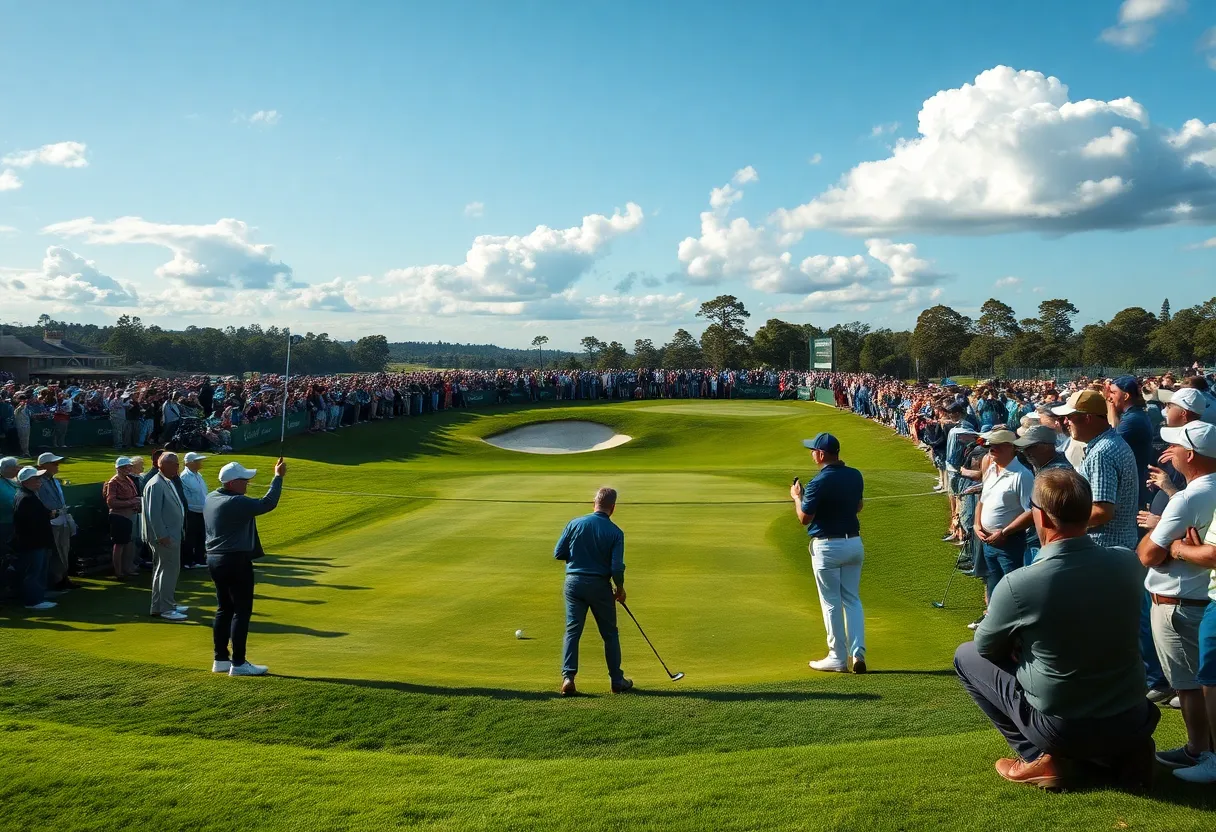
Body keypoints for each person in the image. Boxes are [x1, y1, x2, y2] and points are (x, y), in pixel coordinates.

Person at [954, 469, 1159, 790]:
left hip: (1064, 726)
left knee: (964, 656)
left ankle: (1041, 758)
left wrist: (1018, 644)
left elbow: (986, 648)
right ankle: (1125, 753)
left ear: (1043, 519)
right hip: (1134, 715)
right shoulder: (1126, 562)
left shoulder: (1020, 584)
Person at [1136, 422, 1216, 774]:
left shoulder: (1188, 496)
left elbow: (1147, 555)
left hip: (1178, 602)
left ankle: (1200, 751)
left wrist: (1164, 537)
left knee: (1190, 685)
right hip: (1201, 598)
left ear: (1190, 455)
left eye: (1177, 447)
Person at [791, 432, 867, 673]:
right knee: (852, 599)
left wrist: (797, 497)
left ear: (821, 454)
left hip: (827, 547)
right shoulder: (855, 475)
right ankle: (858, 654)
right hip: (854, 544)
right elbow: (859, 506)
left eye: (813, 451)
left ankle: (837, 656)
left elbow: (804, 518)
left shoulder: (817, 482)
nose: (812, 454)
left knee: (831, 603)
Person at [204, 458, 286, 677]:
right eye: (244, 480)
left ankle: (220, 659)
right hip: (235, 560)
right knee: (241, 611)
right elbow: (267, 503)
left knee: (224, 609)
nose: (247, 483)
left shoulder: (212, 497)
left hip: (214, 559)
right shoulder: (236, 502)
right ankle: (238, 663)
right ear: (231, 483)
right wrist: (278, 477)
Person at [553, 486, 632, 696]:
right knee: (610, 634)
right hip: (599, 586)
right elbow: (616, 567)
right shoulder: (615, 532)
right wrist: (620, 589)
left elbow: (558, 553)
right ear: (613, 508)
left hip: (573, 583)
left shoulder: (574, 523)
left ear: (593, 503)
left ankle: (568, 678)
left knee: (573, 631)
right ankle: (617, 681)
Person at [973, 429, 1034, 594]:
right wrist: (976, 524)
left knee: (1012, 588)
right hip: (987, 539)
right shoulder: (992, 469)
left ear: (1010, 447)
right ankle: (992, 616)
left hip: (1009, 542)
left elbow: (1030, 512)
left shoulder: (1022, 475)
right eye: (990, 446)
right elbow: (982, 500)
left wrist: (1004, 533)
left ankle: (1011, 619)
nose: (991, 450)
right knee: (992, 581)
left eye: (997, 446)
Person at [141, 451, 188, 621]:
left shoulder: (165, 482)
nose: (178, 467)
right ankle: (167, 608)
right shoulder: (156, 484)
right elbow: (154, 514)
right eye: (174, 464)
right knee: (168, 571)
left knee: (162, 570)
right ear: (163, 465)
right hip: (165, 537)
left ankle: (160, 606)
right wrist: (162, 535)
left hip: (170, 534)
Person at [12, 466, 56, 610]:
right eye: (36, 479)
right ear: (26, 482)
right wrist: (48, 514)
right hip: (33, 542)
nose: (40, 482)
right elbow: (32, 521)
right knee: (34, 571)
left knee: (38, 570)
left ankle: (38, 596)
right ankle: (33, 601)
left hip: (36, 541)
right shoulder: (26, 498)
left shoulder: (28, 496)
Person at [34, 451, 76, 592]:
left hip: (61, 518)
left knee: (64, 549)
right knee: (55, 551)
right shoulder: (37, 481)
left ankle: (63, 578)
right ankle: (56, 580)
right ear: (43, 466)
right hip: (50, 521)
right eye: (54, 463)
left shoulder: (54, 480)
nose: (57, 466)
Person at [103, 457, 142, 579]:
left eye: (129, 466)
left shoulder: (128, 479)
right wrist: (132, 502)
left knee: (129, 543)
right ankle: (118, 571)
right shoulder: (113, 482)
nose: (128, 469)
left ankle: (128, 567)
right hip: (119, 517)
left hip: (130, 516)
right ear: (118, 468)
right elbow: (111, 502)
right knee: (120, 544)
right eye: (125, 467)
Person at [179, 451, 209, 570]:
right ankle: (188, 561)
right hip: (191, 511)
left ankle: (199, 559)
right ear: (190, 463)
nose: (200, 463)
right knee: (190, 537)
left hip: (201, 510)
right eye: (197, 461)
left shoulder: (198, 475)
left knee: (201, 536)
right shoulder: (185, 477)